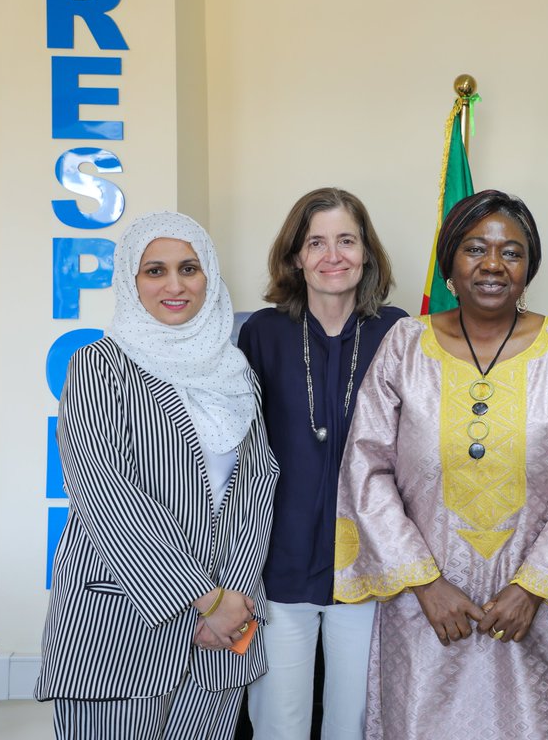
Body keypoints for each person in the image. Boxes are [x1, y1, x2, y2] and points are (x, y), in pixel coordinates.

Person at [332, 190, 548, 739]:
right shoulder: (405, 344)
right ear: (450, 262)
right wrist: (425, 584)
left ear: (529, 268)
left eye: (512, 252)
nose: (493, 264)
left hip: (538, 614)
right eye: (476, 248)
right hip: (425, 613)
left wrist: (532, 588)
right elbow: (366, 468)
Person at [35, 212, 278, 739]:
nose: (175, 285)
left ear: (208, 275)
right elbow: (101, 489)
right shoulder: (100, 365)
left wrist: (233, 594)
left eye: (189, 268)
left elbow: (259, 486)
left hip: (221, 637)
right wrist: (203, 598)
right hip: (119, 626)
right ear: (130, 279)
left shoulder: (236, 373)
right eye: (155, 270)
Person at [239, 187, 405, 739]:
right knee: (278, 724)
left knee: (355, 724)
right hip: (278, 565)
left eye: (346, 240)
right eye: (316, 242)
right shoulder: (261, 333)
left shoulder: (398, 331)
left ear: (367, 252)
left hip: (368, 568)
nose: (333, 255)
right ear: (295, 257)